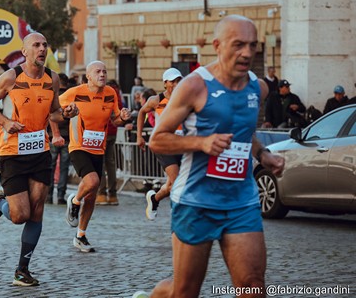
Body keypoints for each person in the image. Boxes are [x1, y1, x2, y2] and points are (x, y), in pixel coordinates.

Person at [145, 15, 285, 298]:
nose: (247, 53)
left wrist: (262, 154)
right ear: (218, 46)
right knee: (184, 291)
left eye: (252, 45)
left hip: (241, 201)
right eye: (238, 45)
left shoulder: (257, 88)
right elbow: (157, 139)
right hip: (196, 201)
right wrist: (202, 143)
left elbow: (243, 133)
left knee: (253, 287)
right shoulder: (195, 86)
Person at [0, 33, 78, 287]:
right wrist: (5, 122)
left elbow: (54, 113)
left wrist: (66, 113)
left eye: (45, 44)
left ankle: (22, 269)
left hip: (39, 152)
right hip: (12, 153)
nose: (42, 49)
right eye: (36, 45)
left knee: (37, 210)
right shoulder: (11, 77)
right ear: (24, 51)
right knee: (19, 215)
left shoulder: (52, 79)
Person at [61, 61, 131, 253]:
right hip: (79, 146)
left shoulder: (110, 93)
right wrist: (65, 114)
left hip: (98, 148)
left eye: (104, 71)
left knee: (91, 196)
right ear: (88, 76)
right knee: (92, 181)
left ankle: (80, 236)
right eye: (98, 71)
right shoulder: (75, 92)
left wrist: (123, 117)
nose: (102, 74)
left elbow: (114, 119)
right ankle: (74, 201)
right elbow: (55, 112)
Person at [137, 68, 183, 220]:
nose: (177, 84)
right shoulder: (156, 100)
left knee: (172, 185)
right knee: (177, 181)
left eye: (179, 80)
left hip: (182, 144)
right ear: (165, 83)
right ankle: (179, 216)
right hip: (163, 145)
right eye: (173, 81)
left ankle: (154, 199)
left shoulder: (186, 98)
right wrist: (139, 136)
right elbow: (141, 112)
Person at [96, 79, 124, 206]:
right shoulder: (117, 94)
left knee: (100, 163)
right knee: (111, 163)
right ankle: (113, 194)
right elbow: (120, 112)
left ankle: (101, 193)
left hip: (102, 130)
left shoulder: (105, 93)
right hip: (113, 130)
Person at [47, 73, 73, 205]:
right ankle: (61, 195)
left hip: (52, 136)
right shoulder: (71, 96)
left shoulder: (52, 95)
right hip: (67, 137)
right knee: (64, 167)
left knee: (50, 167)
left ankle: (48, 194)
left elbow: (48, 115)